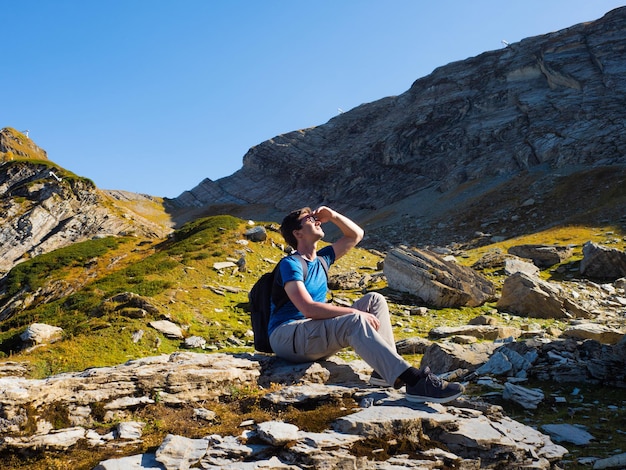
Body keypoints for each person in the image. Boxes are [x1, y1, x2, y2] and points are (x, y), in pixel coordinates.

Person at [268, 205, 465, 403]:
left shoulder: (322, 260)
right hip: (286, 335)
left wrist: (333, 215)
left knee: (375, 300)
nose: (317, 221)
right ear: (297, 233)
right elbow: (308, 309)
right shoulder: (291, 264)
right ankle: (414, 381)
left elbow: (356, 235)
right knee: (353, 319)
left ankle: (384, 371)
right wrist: (355, 312)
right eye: (310, 220)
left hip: (310, 333)